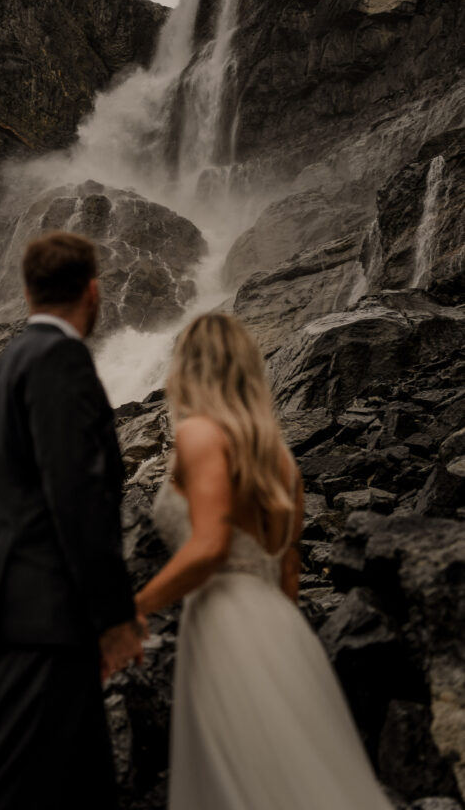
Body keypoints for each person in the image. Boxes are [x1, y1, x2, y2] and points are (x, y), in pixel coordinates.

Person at [136, 312, 393, 810]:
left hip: (224, 622)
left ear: (190, 368)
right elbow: (288, 572)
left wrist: (137, 607)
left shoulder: (201, 435)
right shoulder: (277, 457)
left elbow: (210, 547)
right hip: (280, 628)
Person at [0, 230, 144, 810]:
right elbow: (77, 494)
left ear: (26, 292)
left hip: (25, 608)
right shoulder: (58, 360)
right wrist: (113, 617)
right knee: (13, 791)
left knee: (85, 790)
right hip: (44, 615)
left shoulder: (12, 361)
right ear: (93, 291)